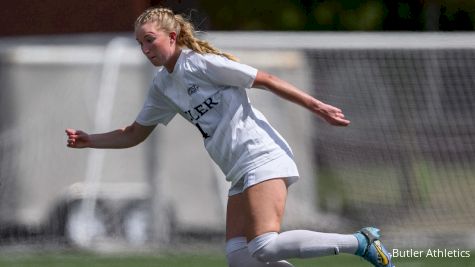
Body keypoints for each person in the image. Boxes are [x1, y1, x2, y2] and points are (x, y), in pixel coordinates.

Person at [65, 7, 394, 267]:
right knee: (240, 258)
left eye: (149, 39)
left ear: (172, 35)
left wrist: (316, 106)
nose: (145, 48)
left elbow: (263, 78)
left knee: (264, 246)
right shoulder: (162, 86)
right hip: (238, 170)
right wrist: (89, 139)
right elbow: (134, 133)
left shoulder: (202, 64)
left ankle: (361, 242)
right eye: (140, 43)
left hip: (260, 154)